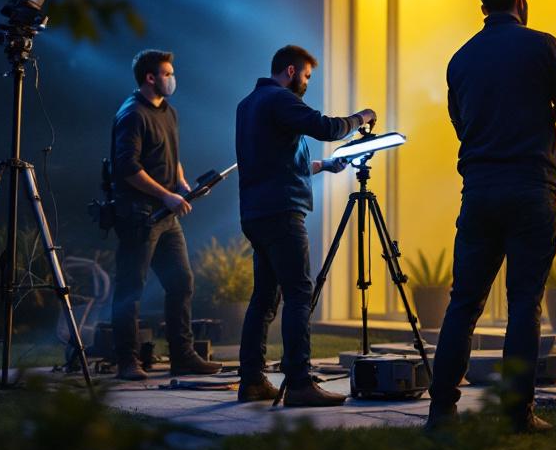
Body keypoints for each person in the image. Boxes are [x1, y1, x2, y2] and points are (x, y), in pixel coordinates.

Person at [426, 0, 556, 433]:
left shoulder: (460, 59)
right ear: (521, 2)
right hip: (531, 188)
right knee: (524, 304)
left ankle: (441, 412)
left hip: (479, 192)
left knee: (463, 304)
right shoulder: (542, 46)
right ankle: (518, 414)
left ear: (483, 8)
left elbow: (461, 123)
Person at [234, 44, 376, 406]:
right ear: (291, 71)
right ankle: (299, 383)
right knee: (298, 293)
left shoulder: (248, 105)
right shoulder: (279, 99)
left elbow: (276, 161)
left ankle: (252, 381)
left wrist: (325, 166)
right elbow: (327, 128)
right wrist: (362, 117)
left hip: (256, 213)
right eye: (307, 76)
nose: (308, 83)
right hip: (283, 212)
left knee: (264, 298)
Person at [110, 49, 221, 381]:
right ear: (150, 78)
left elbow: (171, 155)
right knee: (131, 288)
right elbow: (127, 168)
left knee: (181, 282)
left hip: (166, 217)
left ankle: (182, 357)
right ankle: (127, 361)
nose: (173, 79)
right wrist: (166, 195)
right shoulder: (132, 114)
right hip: (138, 215)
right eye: (168, 74)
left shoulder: (169, 112)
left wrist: (183, 185)